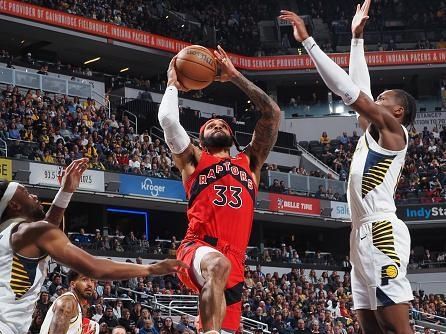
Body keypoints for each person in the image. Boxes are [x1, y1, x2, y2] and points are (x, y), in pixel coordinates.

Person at [279, 2, 416, 334]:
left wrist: (308, 42)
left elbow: (349, 91)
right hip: (361, 233)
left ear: (397, 112)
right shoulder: (376, 130)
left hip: (382, 232)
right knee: (368, 325)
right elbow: (361, 88)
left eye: (383, 98)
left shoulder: (394, 133)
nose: (375, 100)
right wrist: (356, 40)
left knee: (394, 325)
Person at [158, 45, 281, 333]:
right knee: (217, 265)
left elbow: (272, 114)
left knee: (225, 324)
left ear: (231, 137)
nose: (216, 123)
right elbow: (167, 120)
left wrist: (235, 76)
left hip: (235, 262)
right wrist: (172, 85)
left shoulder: (249, 162)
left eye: (221, 123)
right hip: (198, 247)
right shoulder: (194, 160)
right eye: (210, 124)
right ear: (201, 141)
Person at [0, 159, 187, 334]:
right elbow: (94, 267)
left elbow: (47, 227)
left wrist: (66, 192)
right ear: (14, 205)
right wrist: (150, 268)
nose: (33, 195)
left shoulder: (12, 235)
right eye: (25, 192)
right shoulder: (28, 232)